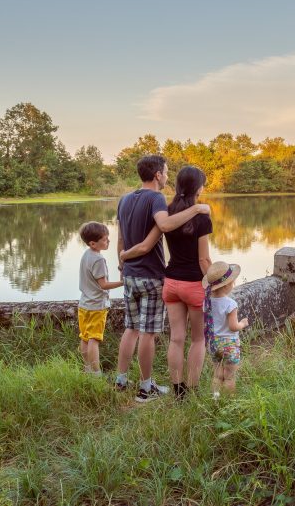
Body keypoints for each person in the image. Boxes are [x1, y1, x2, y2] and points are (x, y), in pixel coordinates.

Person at [115, 155, 211, 403]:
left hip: (136, 276)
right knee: (154, 334)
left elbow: (121, 239)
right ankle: (149, 388)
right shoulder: (158, 199)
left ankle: (122, 380)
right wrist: (198, 208)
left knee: (133, 329)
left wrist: (122, 260)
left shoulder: (125, 199)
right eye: (165, 172)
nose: (167, 176)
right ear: (158, 174)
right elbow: (162, 231)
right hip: (153, 275)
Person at [77, 221, 123, 376]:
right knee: (94, 340)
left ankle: (87, 368)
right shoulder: (98, 259)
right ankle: (96, 373)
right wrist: (123, 282)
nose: (108, 241)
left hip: (84, 304)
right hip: (96, 306)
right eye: (104, 239)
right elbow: (103, 285)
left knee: (85, 338)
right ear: (93, 243)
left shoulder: (86, 255)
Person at [202, 261, 249, 399]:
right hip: (229, 345)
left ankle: (216, 399)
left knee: (217, 376)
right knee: (229, 377)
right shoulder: (230, 304)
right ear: (227, 285)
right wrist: (243, 324)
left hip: (214, 344)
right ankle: (228, 403)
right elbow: (233, 327)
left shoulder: (207, 302)